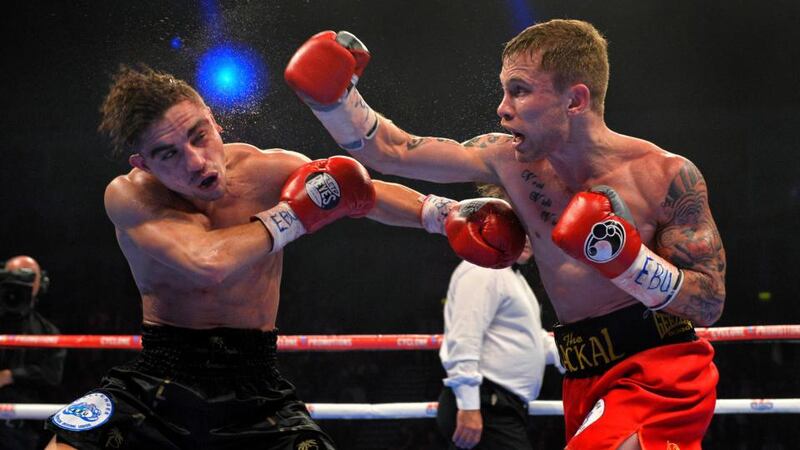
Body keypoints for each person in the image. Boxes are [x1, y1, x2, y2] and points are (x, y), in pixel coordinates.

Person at [286, 19, 726, 449]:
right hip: (582, 376)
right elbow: (394, 150)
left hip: (658, 371)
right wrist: (335, 102)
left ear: (575, 101)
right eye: (504, 90)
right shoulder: (507, 160)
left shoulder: (664, 175)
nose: (502, 108)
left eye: (519, 90)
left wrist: (630, 263)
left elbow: (709, 302)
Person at [44, 65, 526, 450]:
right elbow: (206, 261)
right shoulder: (129, 197)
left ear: (215, 120)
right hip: (159, 376)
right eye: (167, 154)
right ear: (142, 164)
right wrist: (296, 214)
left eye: (198, 135)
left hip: (255, 385)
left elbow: (362, 193)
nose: (194, 161)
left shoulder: (268, 168)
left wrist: (446, 214)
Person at [436, 188, 564, 449]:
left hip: (500, 405)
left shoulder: (511, 278)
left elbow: (530, 340)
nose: (528, 238)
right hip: (486, 404)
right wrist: (470, 405)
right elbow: (464, 338)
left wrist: (575, 353)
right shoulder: (482, 270)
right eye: (519, 229)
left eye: (530, 230)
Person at [0, 256, 66, 450]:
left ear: (41, 283)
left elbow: (53, 374)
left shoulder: (48, 332)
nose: (21, 282)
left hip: (24, 426)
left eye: (29, 277)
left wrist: (10, 376)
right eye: (15, 275)